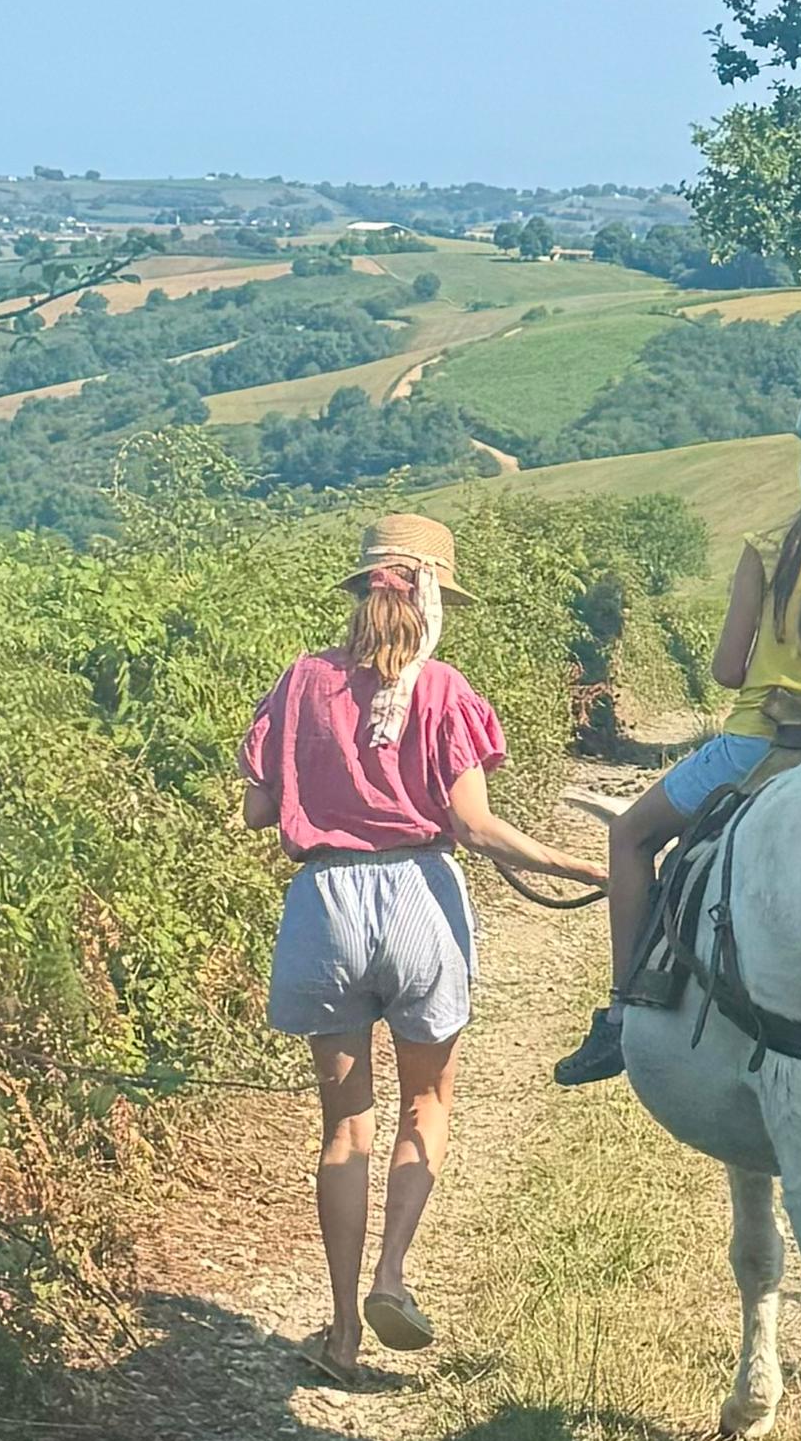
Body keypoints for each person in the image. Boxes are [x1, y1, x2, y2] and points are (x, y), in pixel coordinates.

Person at [241, 516, 582, 1383]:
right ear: (433, 603)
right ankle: (394, 1273)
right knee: (425, 1103)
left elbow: (256, 810)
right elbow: (474, 827)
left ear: (359, 594)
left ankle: (342, 1330)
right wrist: (574, 864)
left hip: (325, 903)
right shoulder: (445, 691)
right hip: (421, 896)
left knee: (343, 1126)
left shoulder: (302, 681)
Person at [554, 356, 801, 1086]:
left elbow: (729, 671)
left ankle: (623, 1012)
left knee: (629, 836)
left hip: (756, 749)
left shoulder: (768, 547)